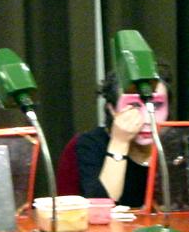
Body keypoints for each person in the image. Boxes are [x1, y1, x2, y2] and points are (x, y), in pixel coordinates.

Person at [72, 66, 171, 208]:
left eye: (156, 106)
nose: (147, 120)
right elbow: (101, 206)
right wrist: (119, 142)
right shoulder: (91, 144)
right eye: (134, 105)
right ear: (112, 109)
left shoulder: (178, 144)